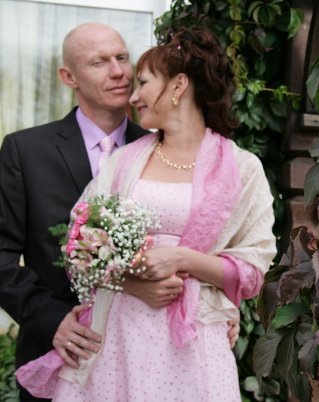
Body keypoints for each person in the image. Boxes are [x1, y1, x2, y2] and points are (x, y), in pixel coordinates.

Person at [18, 26, 277, 401]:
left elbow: (252, 271)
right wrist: (131, 281)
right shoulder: (124, 162)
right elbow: (78, 246)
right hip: (117, 338)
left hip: (196, 343)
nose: (133, 95)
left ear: (178, 86)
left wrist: (182, 259)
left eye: (142, 83)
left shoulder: (241, 168)